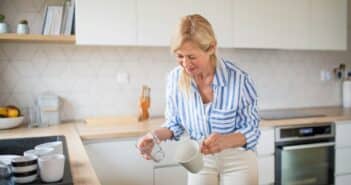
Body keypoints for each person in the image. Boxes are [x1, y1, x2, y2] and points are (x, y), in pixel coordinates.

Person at [137, 14, 260, 185]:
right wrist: (154, 136)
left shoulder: (239, 80)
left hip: (237, 158)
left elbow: (252, 129)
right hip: (200, 158)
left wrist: (224, 141)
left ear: (211, 48)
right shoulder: (174, 79)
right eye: (180, 56)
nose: (185, 64)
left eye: (192, 57)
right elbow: (175, 124)